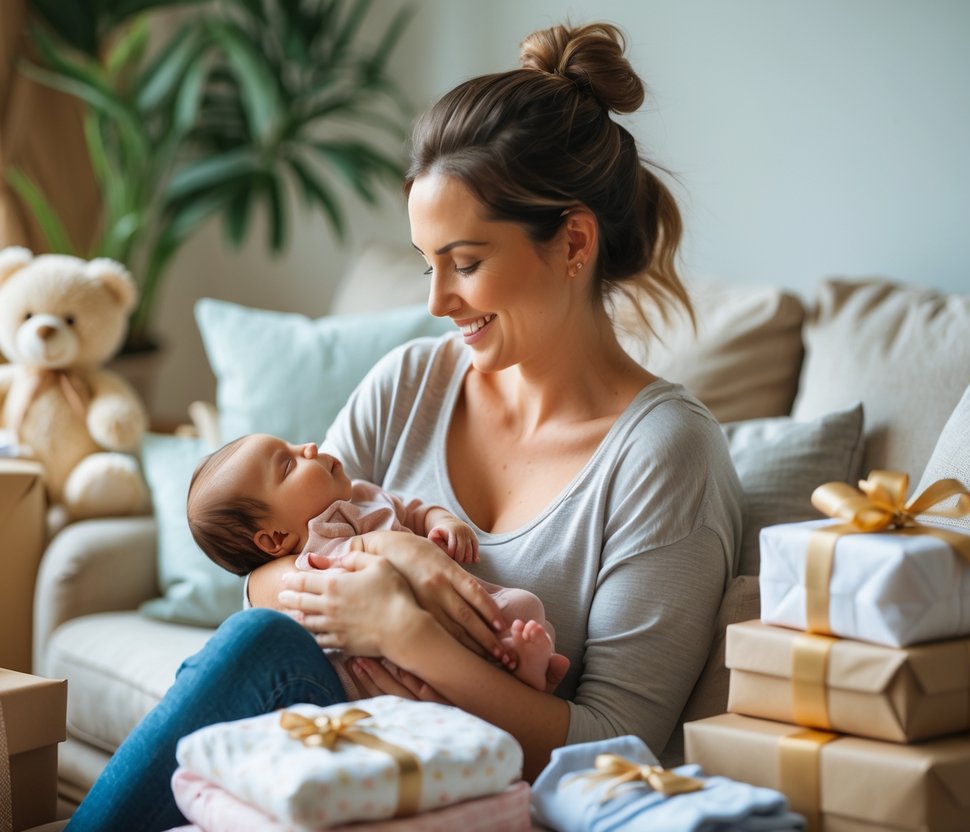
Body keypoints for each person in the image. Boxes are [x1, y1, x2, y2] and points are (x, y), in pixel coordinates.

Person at [66, 21, 742, 831]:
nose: (434, 302)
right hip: (348, 746)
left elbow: (612, 747)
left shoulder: (665, 455)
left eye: (464, 262)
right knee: (254, 649)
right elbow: (265, 578)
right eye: (428, 264)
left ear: (572, 242)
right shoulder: (412, 382)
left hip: (479, 789)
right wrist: (385, 553)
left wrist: (405, 631)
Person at [186, 432, 571, 694]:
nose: (308, 446)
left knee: (524, 606)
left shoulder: (365, 495)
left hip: (455, 608)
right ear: (275, 539)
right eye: (287, 465)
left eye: (292, 443)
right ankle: (520, 668)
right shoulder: (312, 562)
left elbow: (414, 510)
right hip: (394, 661)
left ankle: (525, 664)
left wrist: (443, 522)